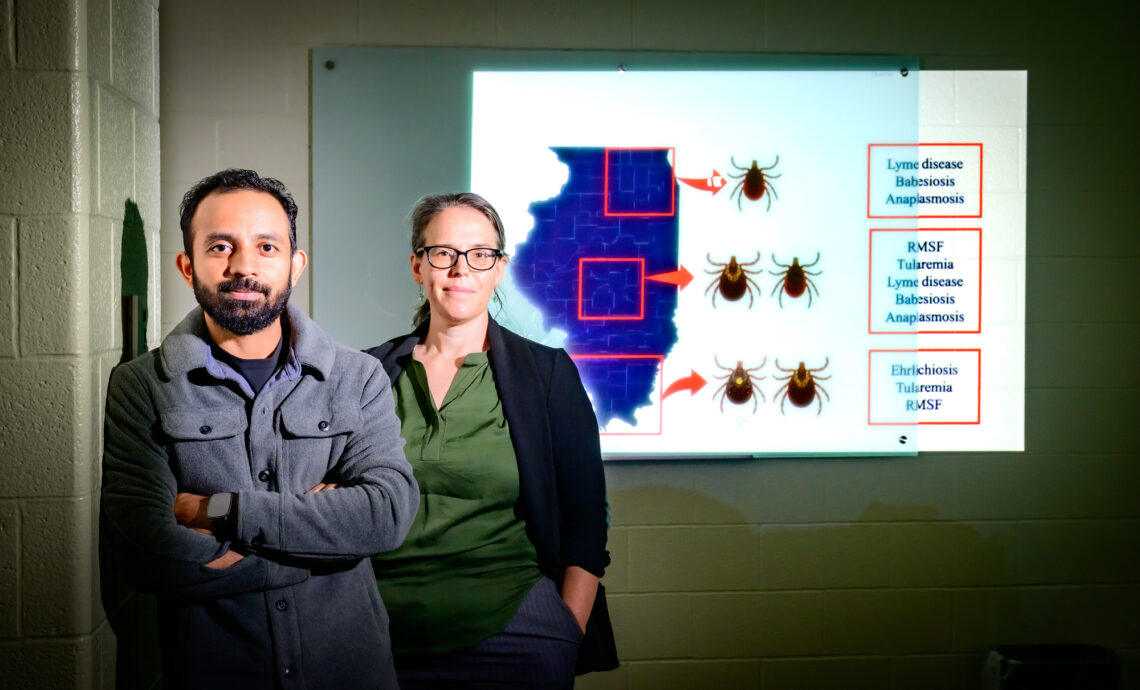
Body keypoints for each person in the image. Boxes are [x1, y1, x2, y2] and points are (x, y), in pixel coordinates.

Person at [99, 169, 419, 689]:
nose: (244, 266)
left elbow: (386, 513)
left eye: (266, 246)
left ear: (295, 265)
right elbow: (144, 552)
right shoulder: (141, 386)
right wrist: (322, 545)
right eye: (220, 246)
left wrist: (215, 511)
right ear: (187, 266)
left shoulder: (357, 377)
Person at [365, 192, 619, 688]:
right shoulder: (368, 374)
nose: (461, 269)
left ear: (498, 269)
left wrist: (568, 631)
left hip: (516, 636)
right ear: (418, 266)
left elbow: (586, 515)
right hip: (380, 637)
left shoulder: (546, 375)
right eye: (443, 253)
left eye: (480, 255)